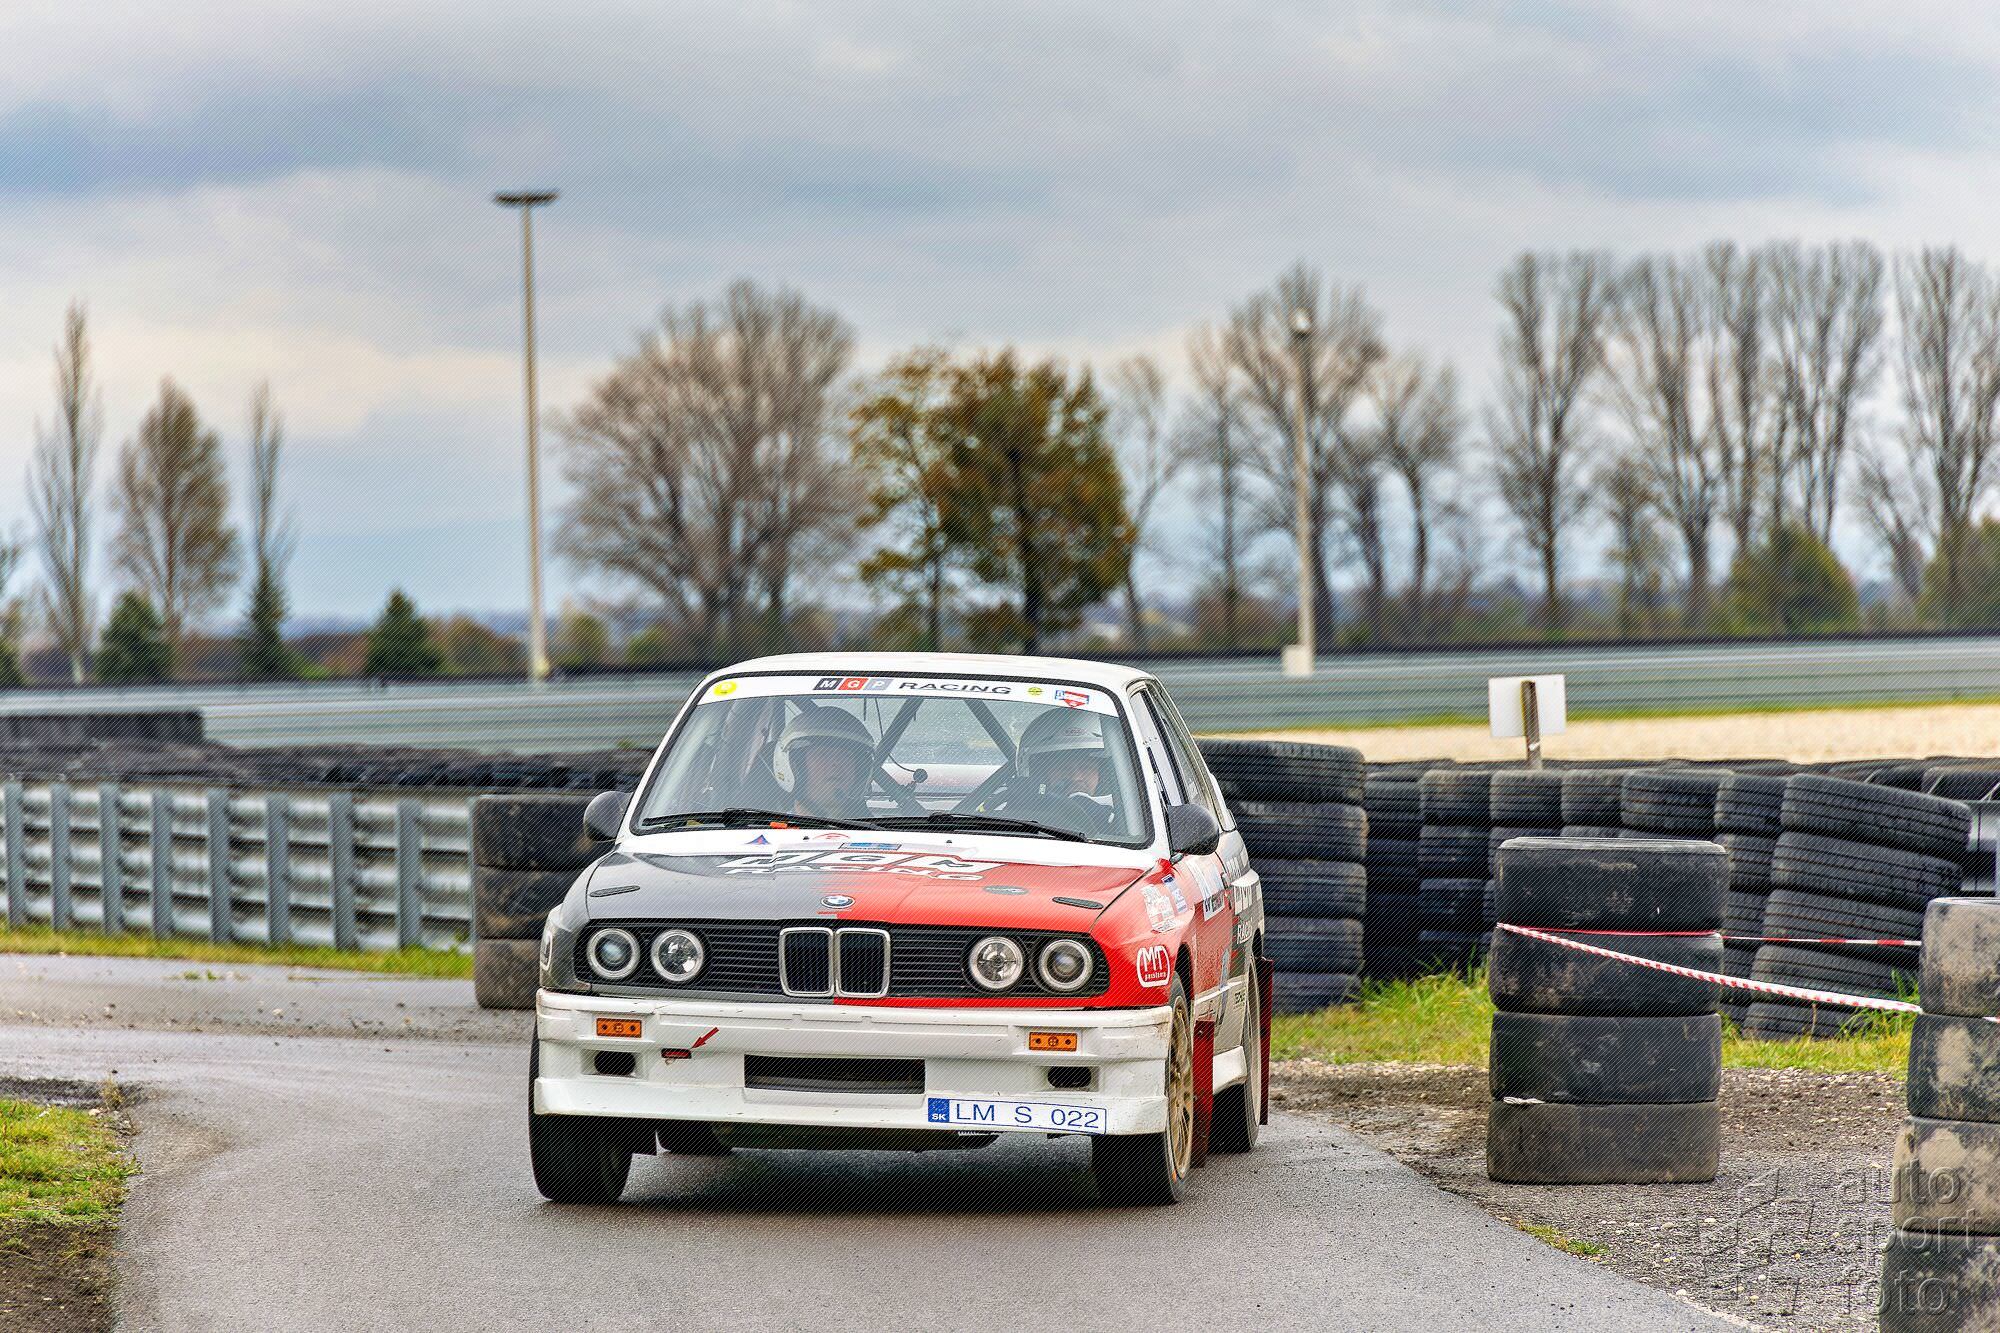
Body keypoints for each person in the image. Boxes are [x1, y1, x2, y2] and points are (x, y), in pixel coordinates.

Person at [1002, 708, 1117, 832]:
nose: (1075, 777)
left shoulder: (1127, 818)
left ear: (1103, 774)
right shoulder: (1018, 815)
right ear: (1040, 773)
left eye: (1086, 767)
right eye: (1063, 767)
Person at [778, 708, 876, 819]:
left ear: (861, 770)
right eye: (823, 754)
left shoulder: (880, 829)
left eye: (846, 755)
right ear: (795, 764)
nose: (836, 763)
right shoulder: (770, 828)